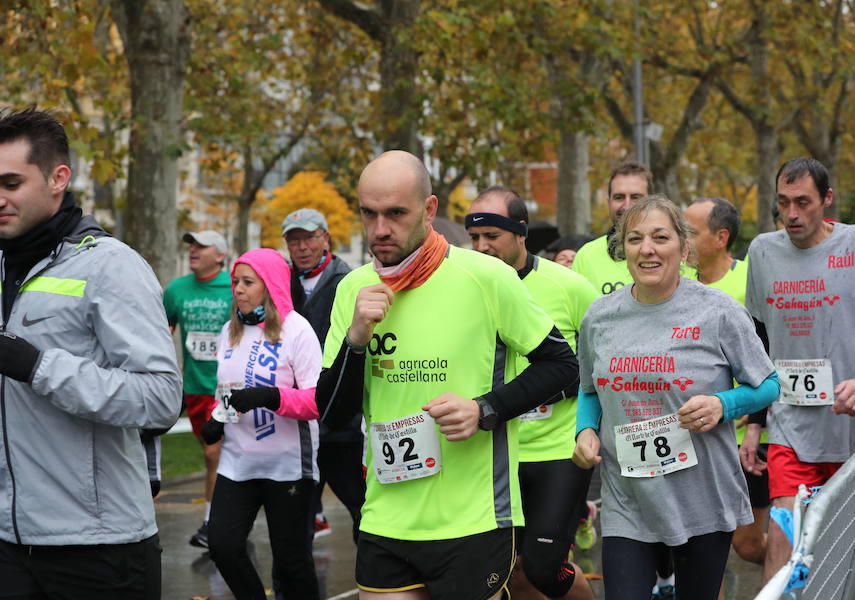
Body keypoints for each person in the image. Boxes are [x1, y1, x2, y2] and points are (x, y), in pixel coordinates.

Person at [315, 150, 578, 600]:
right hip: (385, 516)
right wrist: (356, 339)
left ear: (429, 209)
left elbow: (561, 365)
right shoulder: (353, 290)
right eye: (369, 213)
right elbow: (333, 414)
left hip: (472, 519)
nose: (380, 229)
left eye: (396, 213)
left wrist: (485, 409)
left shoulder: (486, 277)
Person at [0, 107, 181, 597]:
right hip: (10, 546)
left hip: (101, 551)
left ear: (59, 178)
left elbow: (162, 399)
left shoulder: (111, 267)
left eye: (11, 182)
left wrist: (37, 366)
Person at [573, 195, 779, 600]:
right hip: (627, 497)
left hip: (700, 495)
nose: (647, 249)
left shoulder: (718, 311)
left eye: (660, 237)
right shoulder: (599, 316)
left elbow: (769, 385)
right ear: (623, 249)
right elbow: (589, 389)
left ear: (683, 248)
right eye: (635, 239)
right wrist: (584, 431)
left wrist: (724, 405)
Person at [742, 158, 855, 599]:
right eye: (783, 203)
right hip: (792, 425)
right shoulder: (763, 252)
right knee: (781, 535)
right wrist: (755, 422)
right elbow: (760, 342)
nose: (791, 214)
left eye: (803, 202)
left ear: (826, 200)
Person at [466, 186, 596, 600]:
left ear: (521, 233)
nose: (481, 247)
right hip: (494, 454)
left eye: (492, 236)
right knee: (509, 572)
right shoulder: (465, 288)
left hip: (557, 452)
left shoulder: (569, 287)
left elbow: (604, 364)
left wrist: (554, 389)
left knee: (542, 568)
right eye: (474, 238)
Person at [200, 247, 322, 600]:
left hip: (288, 465)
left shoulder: (297, 331)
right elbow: (226, 389)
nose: (237, 288)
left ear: (269, 286)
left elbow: (318, 401)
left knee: (291, 562)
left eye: (247, 282)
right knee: (222, 546)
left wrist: (272, 397)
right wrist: (215, 418)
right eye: (235, 281)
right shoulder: (229, 331)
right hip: (238, 462)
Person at [684, 196, 769, 566]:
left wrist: (755, 425)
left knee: (748, 545)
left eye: (689, 231)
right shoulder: (676, 284)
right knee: (700, 548)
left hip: (747, 435)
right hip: (692, 436)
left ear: (721, 237)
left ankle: (797, 558)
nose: (681, 239)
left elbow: (768, 364)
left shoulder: (750, 281)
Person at [283, 207, 364, 542]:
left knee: (362, 507)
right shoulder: (282, 281)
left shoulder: (348, 279)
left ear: (326, 238)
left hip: (339, 420)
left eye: (309, 238)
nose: (302, 247)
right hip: (298, 421)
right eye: (294, 240)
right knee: (296, 516)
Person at [164, 229, 232, 548]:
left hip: (229, 388)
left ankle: (213, 524)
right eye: (190, 244)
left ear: (220, 255)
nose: (193, 250)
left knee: (213, 453)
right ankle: (229, 521)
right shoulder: (176, 290)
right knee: (215, 456)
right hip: (195, 388)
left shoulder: (235, 287)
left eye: (201, 246)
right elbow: (163, 332)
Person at [572, 161, 652, 295]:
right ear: (609, 203)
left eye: (636, 197)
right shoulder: (586, 256)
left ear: (652, 201)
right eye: (619, 197)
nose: (627, 206)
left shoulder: (675, 254)